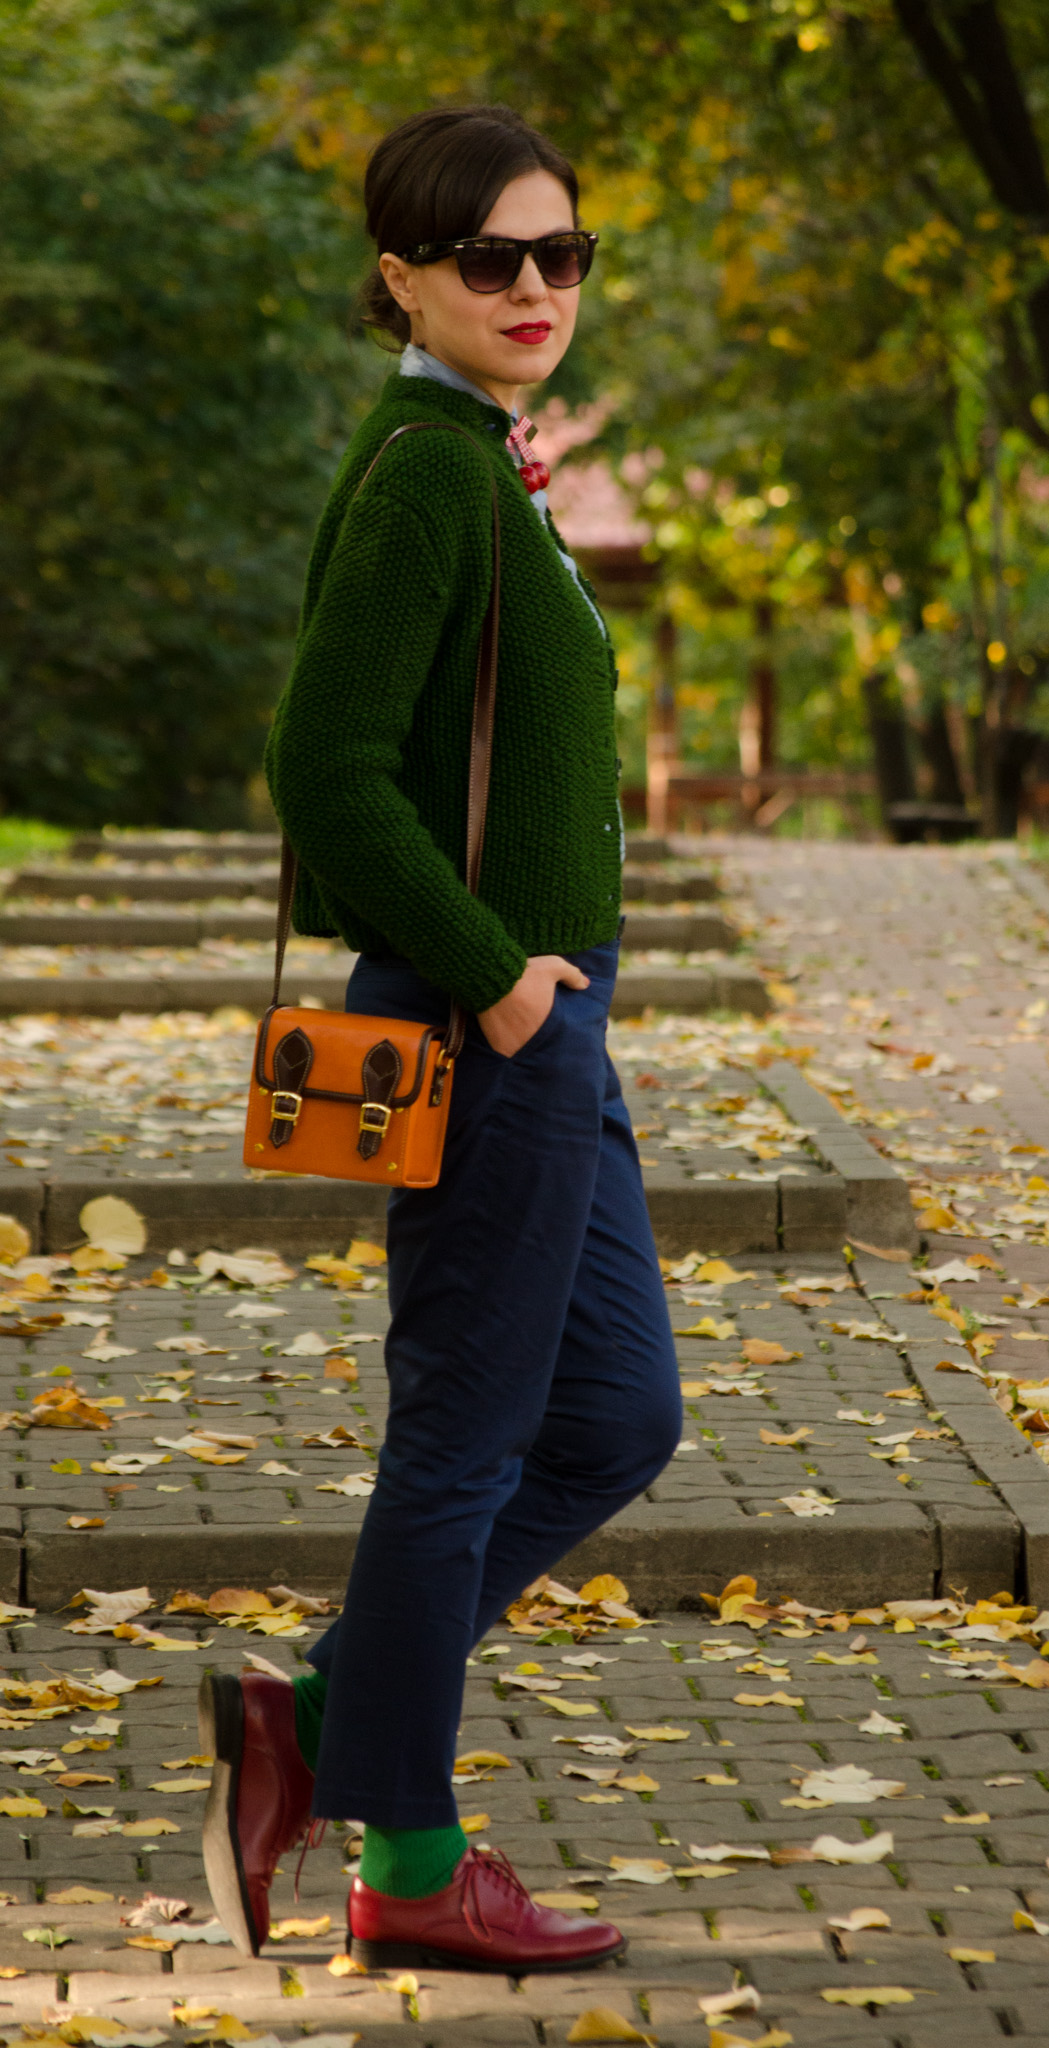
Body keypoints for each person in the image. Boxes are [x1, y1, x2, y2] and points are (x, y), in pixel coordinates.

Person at [199, 103, 681, 1975]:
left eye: (563, 255)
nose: (538, 285)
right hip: (495, 1015)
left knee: (620, 1416)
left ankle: (325, 1712)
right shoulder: (424, 467)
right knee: (467, 1447)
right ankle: (405, 1855)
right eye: (495, 257)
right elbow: (319, 767)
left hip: (550, 1013)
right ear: (401, 270)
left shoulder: (477, 460)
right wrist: (494, 975)